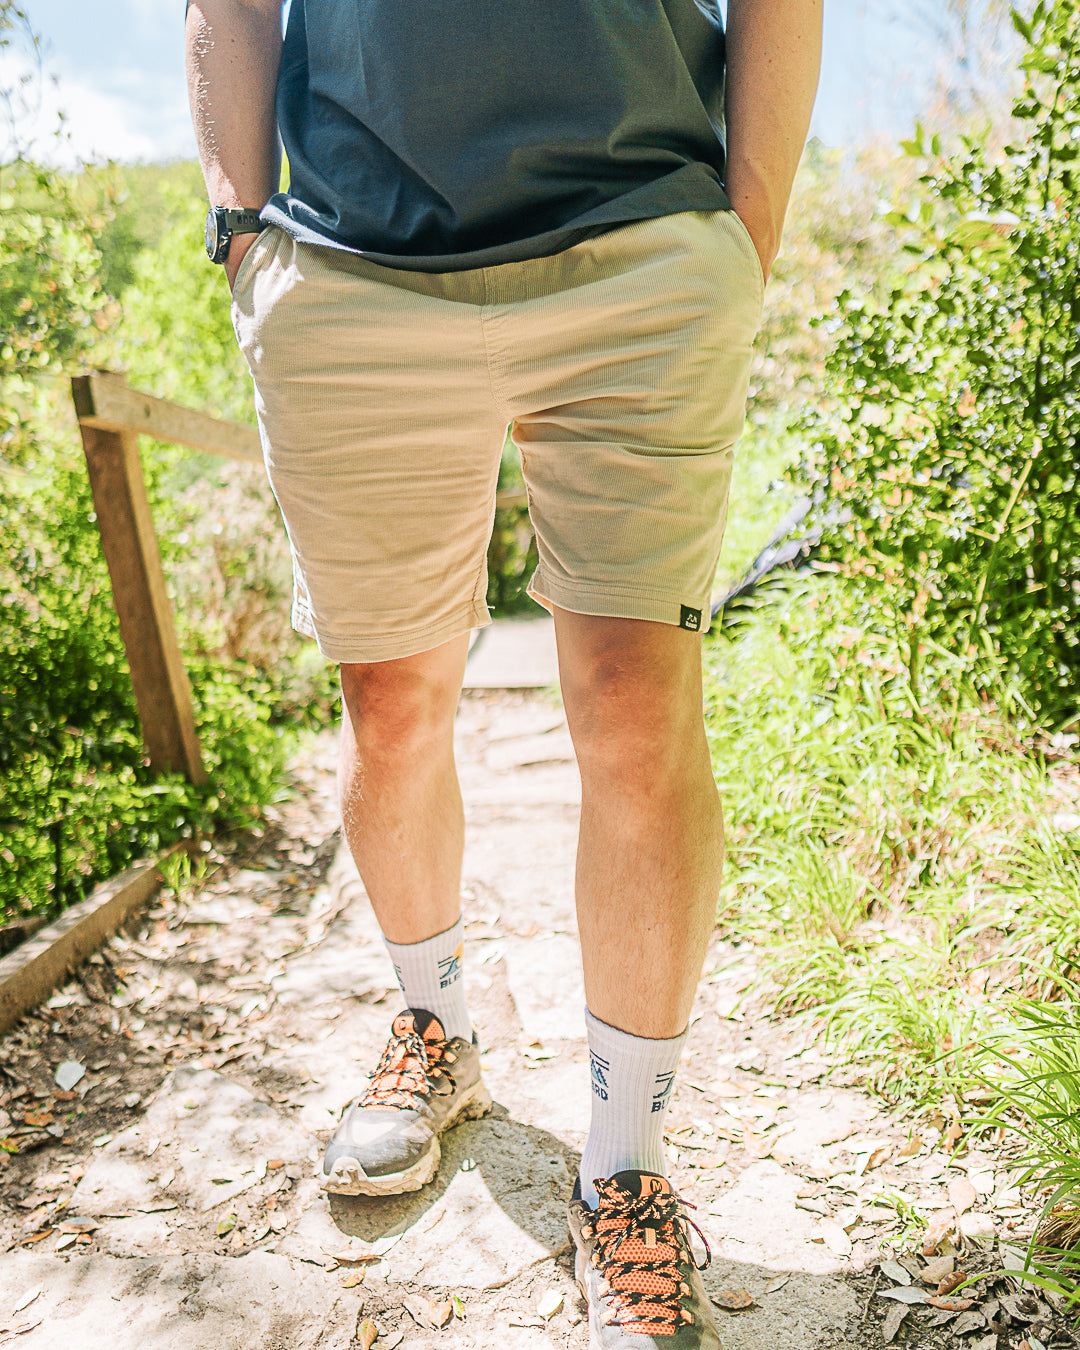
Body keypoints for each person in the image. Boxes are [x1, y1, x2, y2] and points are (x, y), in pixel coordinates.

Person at [186, 1, 821, 1342]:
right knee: (394, 702)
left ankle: (627, 1159)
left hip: (639, 236)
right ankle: (437, 1031)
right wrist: (239, 229)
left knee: (639, 707)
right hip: (355, 261)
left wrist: (744, 227)